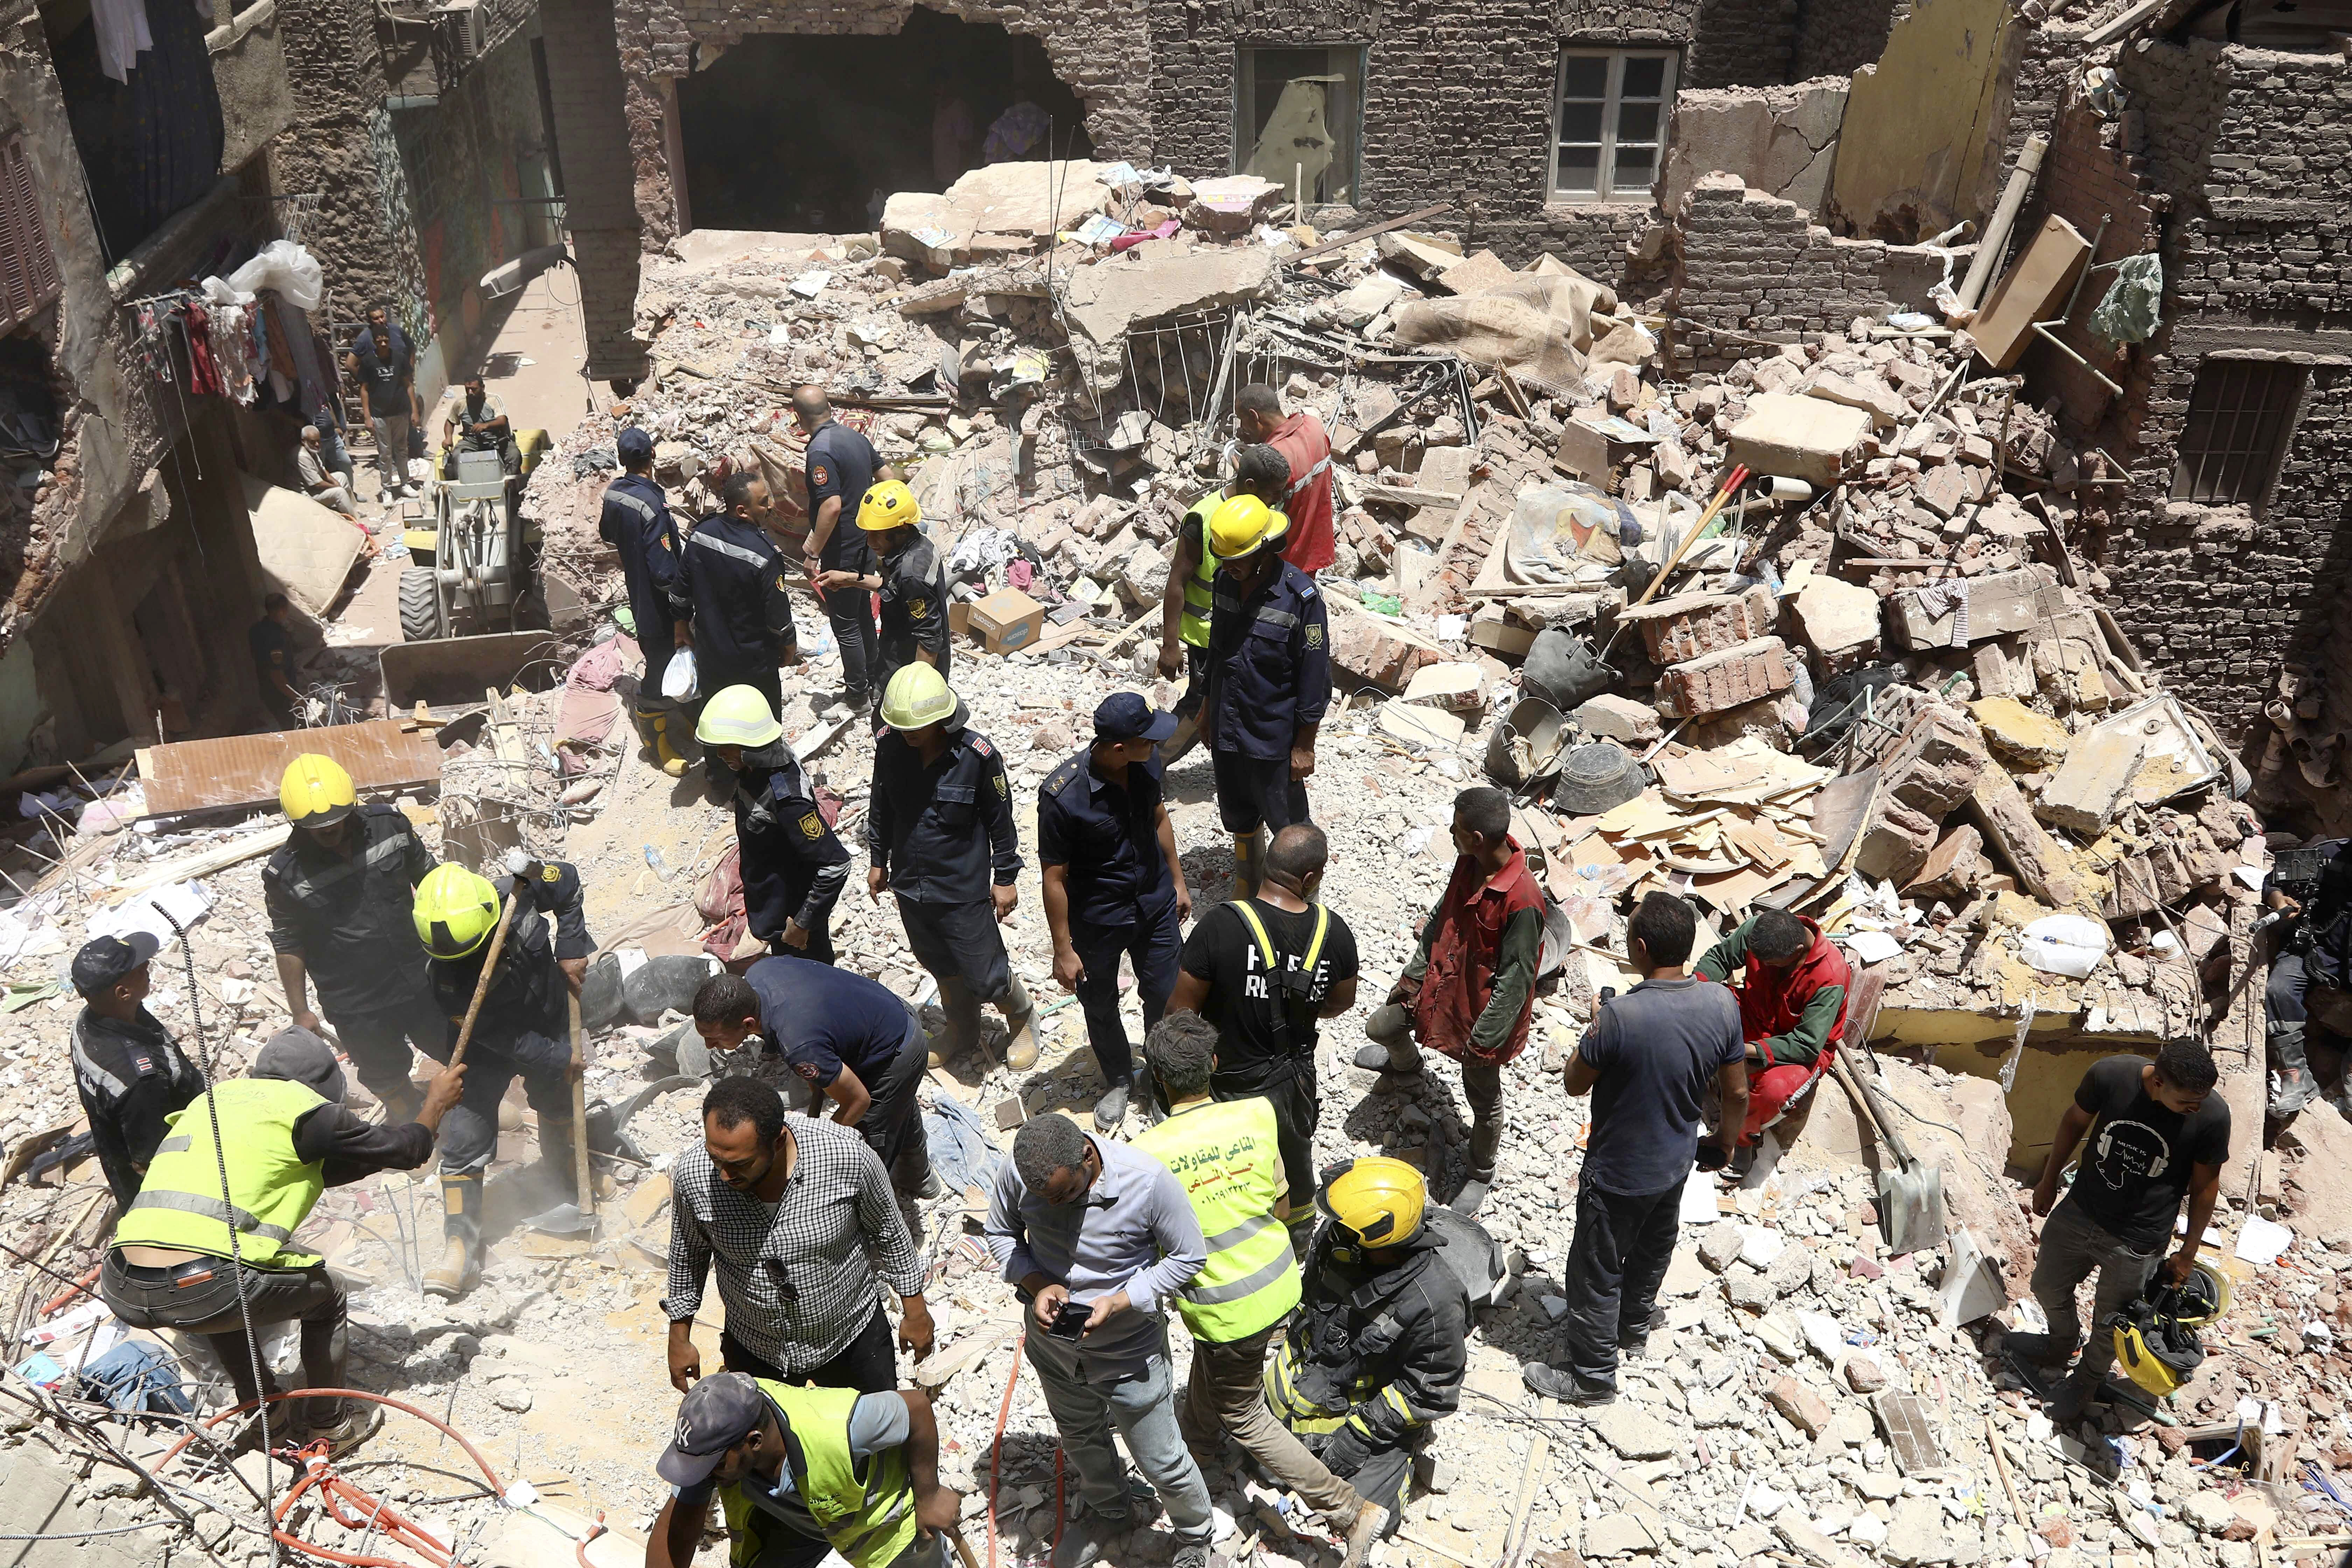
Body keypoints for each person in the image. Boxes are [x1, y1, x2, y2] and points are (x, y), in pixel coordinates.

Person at [101, 1027, 465, 1451]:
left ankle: (266, 1416)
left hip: (123, 1282)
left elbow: (325, 1169)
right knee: (324, 1293)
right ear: (326, 1085)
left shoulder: (211, 1103)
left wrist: (381, 1156)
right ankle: (329, 1423)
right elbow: (407, 1151)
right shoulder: (306, 1109)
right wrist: (436, 1104)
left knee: (219, 1289)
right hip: (202, 1283)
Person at [1131, 1014, 1386, 1567]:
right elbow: (1280, 1202)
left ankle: (1349, 1511)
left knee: (1244, 1412)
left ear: (1157, 1079)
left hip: (1226, 1304)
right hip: (1276, 1281)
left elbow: (1153, 1247)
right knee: (1222, 1371)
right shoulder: (1255, 1114)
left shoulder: (1146, 1154)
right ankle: (1196, 1444)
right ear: (1214, 1066)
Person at [1522, 892, 1747, 1406]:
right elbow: (1735, 1092)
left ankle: (1592, 1378)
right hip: (1675, 1164)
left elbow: (1574, 1082)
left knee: (1595, 1270)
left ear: (1640, 948)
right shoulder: (1721, 1003)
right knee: (1651, 1251)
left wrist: (1596, 1025)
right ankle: (1632, 1331)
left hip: (1618, 1172)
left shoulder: (1621, 1018)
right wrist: (1724, 1143)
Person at [985, 1115, 1216, 1568]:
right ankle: (1111, 1512)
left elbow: (1190, 1256)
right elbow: (1000, 1234)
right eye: (1044, 1200)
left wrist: (1123, 1300)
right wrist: (1036, 1285)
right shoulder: (1021, 1174)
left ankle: (1195, 1535)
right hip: (1055, 1347)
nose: (1054, 1206)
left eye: (1066, 1195)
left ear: (1088, 1158)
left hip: (1129, 1352)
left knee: (1162, 1456)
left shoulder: (1146, 1182)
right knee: (1080, 1437)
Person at [665, 1076, 931, 1396]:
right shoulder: (694, 1176)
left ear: (778, 1142)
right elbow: (688, 1255)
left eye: (740, 1164)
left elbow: (889, 1230)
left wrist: (915, 1312)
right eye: (715, 1158)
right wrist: (679, 1338)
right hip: (756, 1346)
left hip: (849, 1338)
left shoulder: (846, 1156)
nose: (724, 1174)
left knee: (871, 1436)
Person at [411, 859, 595, 1299]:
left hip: (548, 1014)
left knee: (555, 1103)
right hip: (483, 1046)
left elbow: (567, 882)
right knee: (465, 1136)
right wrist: (558, 1056)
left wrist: (571, 944)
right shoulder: (444, 976)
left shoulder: (518, 890)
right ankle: (461, 1244)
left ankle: (564, 1173)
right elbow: (505, 1040)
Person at [1356, 788, 1545, 1214]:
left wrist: (1485, 1041)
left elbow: (1517, 980)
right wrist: (1413, 977)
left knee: (1483, 1099)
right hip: (1443, 984)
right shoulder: (1470, 862)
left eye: (1457, 829)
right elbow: (1442, 918)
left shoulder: (1522, 900)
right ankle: (1407, 1070)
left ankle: (1480, 1170)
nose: (1450, 833)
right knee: (1382, 1027)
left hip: (1478, 1013)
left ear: (1476, 837)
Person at [2021, 1040, 2229, 1423]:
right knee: (2046, 1286)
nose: (2196, 1108)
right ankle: (2061, 1342)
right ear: (2159, 1082)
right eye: (2187, 1102)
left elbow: (2205, 1188)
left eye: (2201, 1099)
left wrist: (2188, 1253)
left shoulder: (2212, 1117)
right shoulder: (2111, 1074)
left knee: (2111, 1322)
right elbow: (2073, 1122)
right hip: (2081, 1210)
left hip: (2138, 1239)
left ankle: (2086, 1379)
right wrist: (2049, 1179)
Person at [1262, 1158, 1466, 1527]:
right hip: (1301, 1382)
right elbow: (1309, 1303)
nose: (1334, 1229)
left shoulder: (1435, 1301)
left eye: (1346, 1227)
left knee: (1369, 1516)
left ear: (1380, 1236)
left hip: (1360, 1417)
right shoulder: (1340, 1240)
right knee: (1262, 1464)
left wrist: (1357, 1437)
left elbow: (1430, 1391)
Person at [1168, 824, 1357, 1208]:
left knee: (1231, 1170)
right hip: (1295, 1084)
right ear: (1310, 878)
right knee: (1293, 1163)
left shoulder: (1220, 924)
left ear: (1268, 864)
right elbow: (1341, 1003)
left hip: (1231, 1081)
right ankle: (1299, 1234)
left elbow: (1179, 1013)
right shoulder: (1334, 932)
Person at [868, 664, 1039, 1071]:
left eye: (917, 727)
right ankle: (961, 1028)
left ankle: (1022, 1015)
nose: (909, 735)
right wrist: (878, 859)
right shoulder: (891, 748)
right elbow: (881, 807)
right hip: (912, 884)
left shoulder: (977, 757)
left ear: (942, 719)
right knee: (937, 960)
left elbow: (1002, 821)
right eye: (901, 726)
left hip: (962, 888)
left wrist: (1007, 877)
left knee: (984, 973)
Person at [1040, 693, 1192, 1128]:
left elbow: (1159, 817)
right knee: (1100, 1003)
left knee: (1166, 994)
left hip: (1154, 903)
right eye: (1148, 739)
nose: (1158, 745)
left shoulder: (1146, 763)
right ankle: (1120, 1079)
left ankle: (1163, 1079)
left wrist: (1177, 880)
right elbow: (1054, 877)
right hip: (1099, 919)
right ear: (1119, 748)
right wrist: (1063, 949)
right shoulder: (1063, 796)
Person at [264, 755, 442, 1124]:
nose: (329, 831)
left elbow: (433, 880)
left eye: (335, 822)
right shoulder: (286, 873)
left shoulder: (390, 827)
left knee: (454, 1043)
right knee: (383, 1071)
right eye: (317, 827)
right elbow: (288, 941)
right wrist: (301, 1010)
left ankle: (473, 1107)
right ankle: (412, 1127)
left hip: (419, 971)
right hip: (355, 998)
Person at [647, 1370, 961, 1568]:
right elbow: (679, 1527)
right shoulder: (717, 1448)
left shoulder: (841, 1426)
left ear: (754, 1442)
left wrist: (929, 1495)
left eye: (712, 1466)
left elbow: (917, 1407)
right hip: (799, 1518)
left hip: (881, 1524)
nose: (704, 1476)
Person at [690, 965, 935, 1197]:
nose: (709, 1046)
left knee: (867, 1140)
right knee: (898, 1105)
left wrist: (814, 1149)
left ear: (748, 1025)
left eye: (715, 1038)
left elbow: (858, 1101)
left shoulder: (799, 1043)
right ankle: (919, 1177)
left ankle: (870, 1210)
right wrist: (814, 1120)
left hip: (897, 1049)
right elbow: (817, 1074)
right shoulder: (759, 974)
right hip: (882, 1012)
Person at [1200, 496, 1329, 896]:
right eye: (1223, 559)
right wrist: (1208, 710)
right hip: (1228, 728)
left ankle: (1305, 905)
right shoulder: (1225, 583)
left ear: (1264, 550)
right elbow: (1217, 654)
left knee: (1291, 829)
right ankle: (1250, 893)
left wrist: (1304, 745)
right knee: (1239, 816)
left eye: (1237, 558)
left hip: (1272, 737)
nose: (1228, 567)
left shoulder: (1301, 598)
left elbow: (1314, 676)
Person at [1155, 445, 1293, 769]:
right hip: (1208, 636)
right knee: (1200, 704)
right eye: (1274, 493)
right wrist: (1170, 644)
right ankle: (1150, 762)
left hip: (1245, 631)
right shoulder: (1202, 518)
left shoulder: (1262, 516)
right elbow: (1177, 582)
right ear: (1250, 487)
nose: (1278, 501)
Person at [698, 686, 852, 961]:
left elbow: (835, 864)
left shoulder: (787, 800)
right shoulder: (756, 768)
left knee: (812, 984)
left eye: (727, 746)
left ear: (752, 745)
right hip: (771, 907)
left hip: (791, 920)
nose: (721, 754)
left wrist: (803, 923)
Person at [1695, 907, 1851, 1170]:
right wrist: (1692, 991)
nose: (1764, 967)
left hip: (1799, 1047)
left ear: (1798, 951)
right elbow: (1720, 958)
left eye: (1772, 964)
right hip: (1755, 1016)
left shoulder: (1830, 975)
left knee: (1774, 1090)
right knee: (1703, 1004)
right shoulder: (1760, 931)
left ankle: (1739, 1140)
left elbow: (1807, 1044)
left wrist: (1746, 1051)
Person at [68, 933, 203, 1212]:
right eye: (142, 970)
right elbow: (152, 1160)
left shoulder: (90, 1022)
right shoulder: (142, 1080)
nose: (148, 970)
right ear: (123, 993)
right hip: (173, 1186)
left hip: (118, 1149)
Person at [673, 469, 800, 728]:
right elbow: (777, 615)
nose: (770, 506)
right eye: (764, 502)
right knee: (762, 725)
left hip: (710, 655)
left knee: (715, 720)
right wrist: (788, 647)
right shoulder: (765, 555)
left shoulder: (701, 535)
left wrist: (681, 626)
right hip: (752, 661)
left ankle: (719, 768)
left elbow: (679, 592)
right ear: (742, 511)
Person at [600, 426, 692, 777]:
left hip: (638, 592)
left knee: (666, 655)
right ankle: (655, 738)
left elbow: (607, 533)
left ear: (622, 460)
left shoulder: (614, 495)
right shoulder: (653, 502)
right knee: (662, 662)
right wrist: (683, 604)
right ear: (653, 456)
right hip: (659, 602)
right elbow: (664, 570)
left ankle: (684, 709)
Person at [825, 478, 950, 724]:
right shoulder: (916, 546)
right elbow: (893, 589)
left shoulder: (913, 572)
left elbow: (929, 639)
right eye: (868, 533)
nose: (871, 542)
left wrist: (913, 696)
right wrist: (850, 579)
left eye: (878, 535)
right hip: (897, 661)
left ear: (901, 529)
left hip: (908, 672)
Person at [794, 387, 882, 718]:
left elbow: (831, 506)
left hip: (841, 549)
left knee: (845, 624)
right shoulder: (856, 438)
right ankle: (873, 682)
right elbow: (888, 479)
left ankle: (857, 695)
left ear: (798, 418)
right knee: (862, 614)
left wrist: (812, 552)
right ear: (830, 408)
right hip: (866, 542)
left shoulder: (820, 451)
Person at [2262, 839, 2352, 1118]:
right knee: (2279, 989)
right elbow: (2274, 880)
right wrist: (2278, 899)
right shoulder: (2329, 853)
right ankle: (2295, 1076)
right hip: (2316, 950)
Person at [1236, 385, 1335, 576]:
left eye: (1243, 421)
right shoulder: (1314, 425)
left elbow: (1254, 508)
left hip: (1285, 560)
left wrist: (1245, 469)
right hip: (1314, 548)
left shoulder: (1274, 459)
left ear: (1254, 416)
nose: (1242, 428)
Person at [345, 302, 421, 499]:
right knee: (385, 453)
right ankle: (387, 489)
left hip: (400, 410)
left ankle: (405, 483)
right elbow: (358, 379)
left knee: (402, 449)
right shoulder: (368, 354)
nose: (382, 321)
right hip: (380, 413)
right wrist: (369, 382)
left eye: (383, 316)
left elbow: (411, 352)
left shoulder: (397, 337)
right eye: (376, 318)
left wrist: (408, 371)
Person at [440, 374, 516, 472]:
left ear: (483, 388)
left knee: (514, 454)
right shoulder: (461, 404)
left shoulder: (493, 400)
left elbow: (502, 420)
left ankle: (510, 482)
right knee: (457, 456)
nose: (470, 393)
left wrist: (485, 426)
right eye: (468, 389)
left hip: (496, 441)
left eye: (474, 389)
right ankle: (463, 483)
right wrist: (448, 438)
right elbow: (451, 422)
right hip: (471, 443)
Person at [250, 592, 301, 727]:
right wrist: (296, 698)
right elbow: (276, 674)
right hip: (279, 695)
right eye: (286, 610)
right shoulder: (276, 639)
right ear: (281, 611)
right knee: (294, 727)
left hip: (266, 688)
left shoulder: (257, 630)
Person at [295, 426, 357, 516]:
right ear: (303, 441)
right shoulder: (302, 456)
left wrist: (336, 483)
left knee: (342, 476)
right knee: (339, 492)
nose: (317, 444)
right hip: (307, 495)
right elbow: (317, 484)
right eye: (313, 442)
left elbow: (323, 470)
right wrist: (335, 486)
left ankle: (352, 509)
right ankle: (354, 520)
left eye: (318, 441)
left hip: (314, 487)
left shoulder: (311, 450)